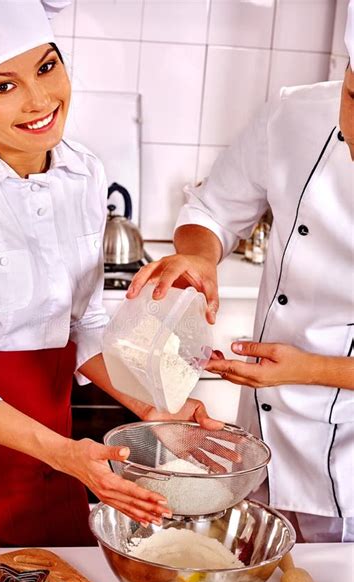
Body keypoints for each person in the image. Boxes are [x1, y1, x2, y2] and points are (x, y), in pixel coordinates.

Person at [0, 0, 222, 547]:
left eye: (46, 67)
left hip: (52, 464)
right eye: (2, 86)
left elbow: (82, 326)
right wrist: (66, 455)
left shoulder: (83, 174)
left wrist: (159, 408)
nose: (40, 100)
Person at [127, 4, 354, 543]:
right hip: (267, 441)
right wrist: (201, 256)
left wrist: (310, 369)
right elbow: (210, 211)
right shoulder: (295, 115)